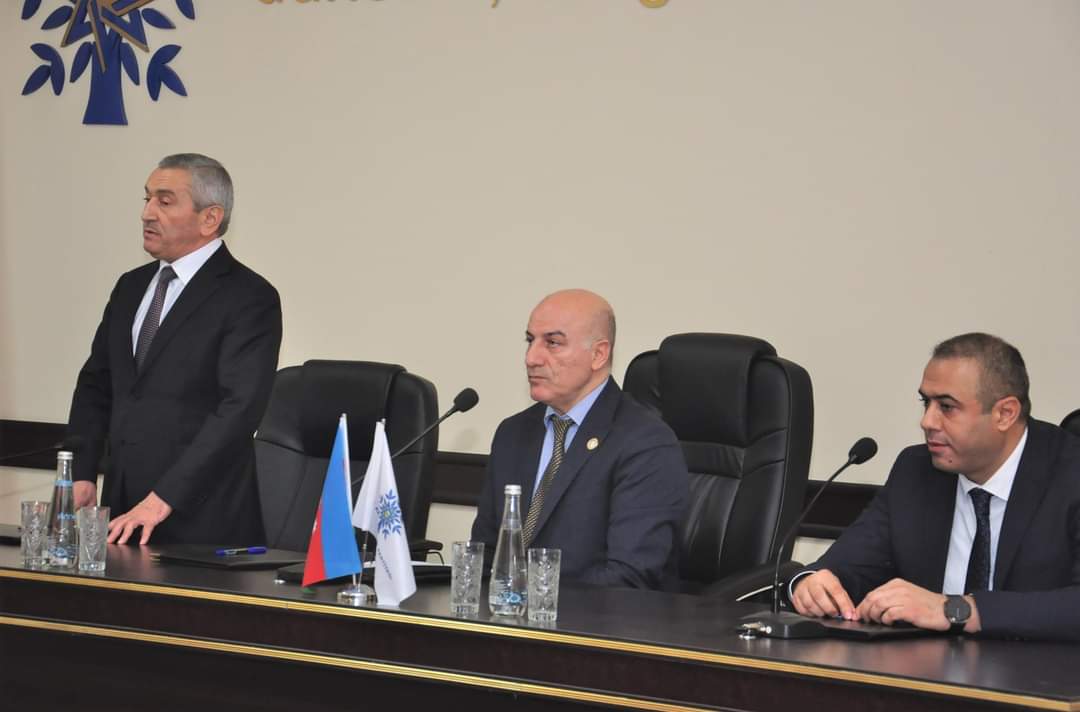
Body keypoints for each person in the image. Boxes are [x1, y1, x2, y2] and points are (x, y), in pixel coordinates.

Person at [789, 333, 1080, 640]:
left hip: (1039, 668)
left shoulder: (1069, 475)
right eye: (926, 402)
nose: (927, 421)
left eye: (947, 406)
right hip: (927, 665)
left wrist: (957, 610)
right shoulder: (916, 471)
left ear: (1005, 414)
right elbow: (846, 565)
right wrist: (811, 583)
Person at [66, 153, 282, 546]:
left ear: (209, 218)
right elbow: (97, 383)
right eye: (147, 198)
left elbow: (239, 409)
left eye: (164, 202)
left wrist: (163, 498)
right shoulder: (130, 287)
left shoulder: (249, 297)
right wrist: (81, 472)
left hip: (204, 521)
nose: (147, 213)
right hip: (122, 513)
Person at [471, 289, 688, 590]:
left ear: (598, 354)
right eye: (530, 340)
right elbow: (486, 555)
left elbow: (630, 576)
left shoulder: (645, 442)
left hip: (597, 617)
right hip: (509, 615)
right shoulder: (513, 433)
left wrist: (531, 599)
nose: (531, 358)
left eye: (553, 343)